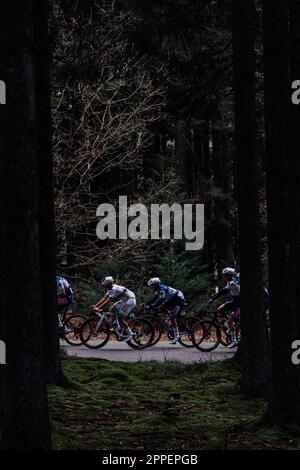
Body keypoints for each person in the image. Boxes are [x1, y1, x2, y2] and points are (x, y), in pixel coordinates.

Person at [91, 276, 137, 341]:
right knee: (111, 310)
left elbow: (108, 301)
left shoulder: (113, 289)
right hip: (125, 300)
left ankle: (130, 334)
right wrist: (96, 305)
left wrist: (98, 308)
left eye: (105, 285)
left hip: (130, 300)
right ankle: (116, 327)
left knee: (121, 318)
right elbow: (104, 298)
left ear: (108, 284)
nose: (104, 286)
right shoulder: (110, 288)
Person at [145, 277, 185, 345]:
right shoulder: (158, 289)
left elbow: (161, 300)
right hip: (172, 299)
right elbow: (154, 298)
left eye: (152, 286)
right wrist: (146, 304)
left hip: (178, 299)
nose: (151, 288)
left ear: (156, 285)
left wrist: (150, 306)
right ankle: (169, 320)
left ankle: (177, 336)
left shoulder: (162, 289)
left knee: (172, 318)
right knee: (161, 308)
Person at [209, 267, 240, 348]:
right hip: (235, 302)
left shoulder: (233, 283)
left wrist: (214, 297)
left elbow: (223, 291)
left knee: (230, 321)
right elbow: (223, 291)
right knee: (220, 309)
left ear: (229, 275)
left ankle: (234, 341)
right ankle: (230, 324)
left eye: (225, 275)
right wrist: (214, 297)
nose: (224, 277)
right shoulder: (229, 282)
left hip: (240, 303)